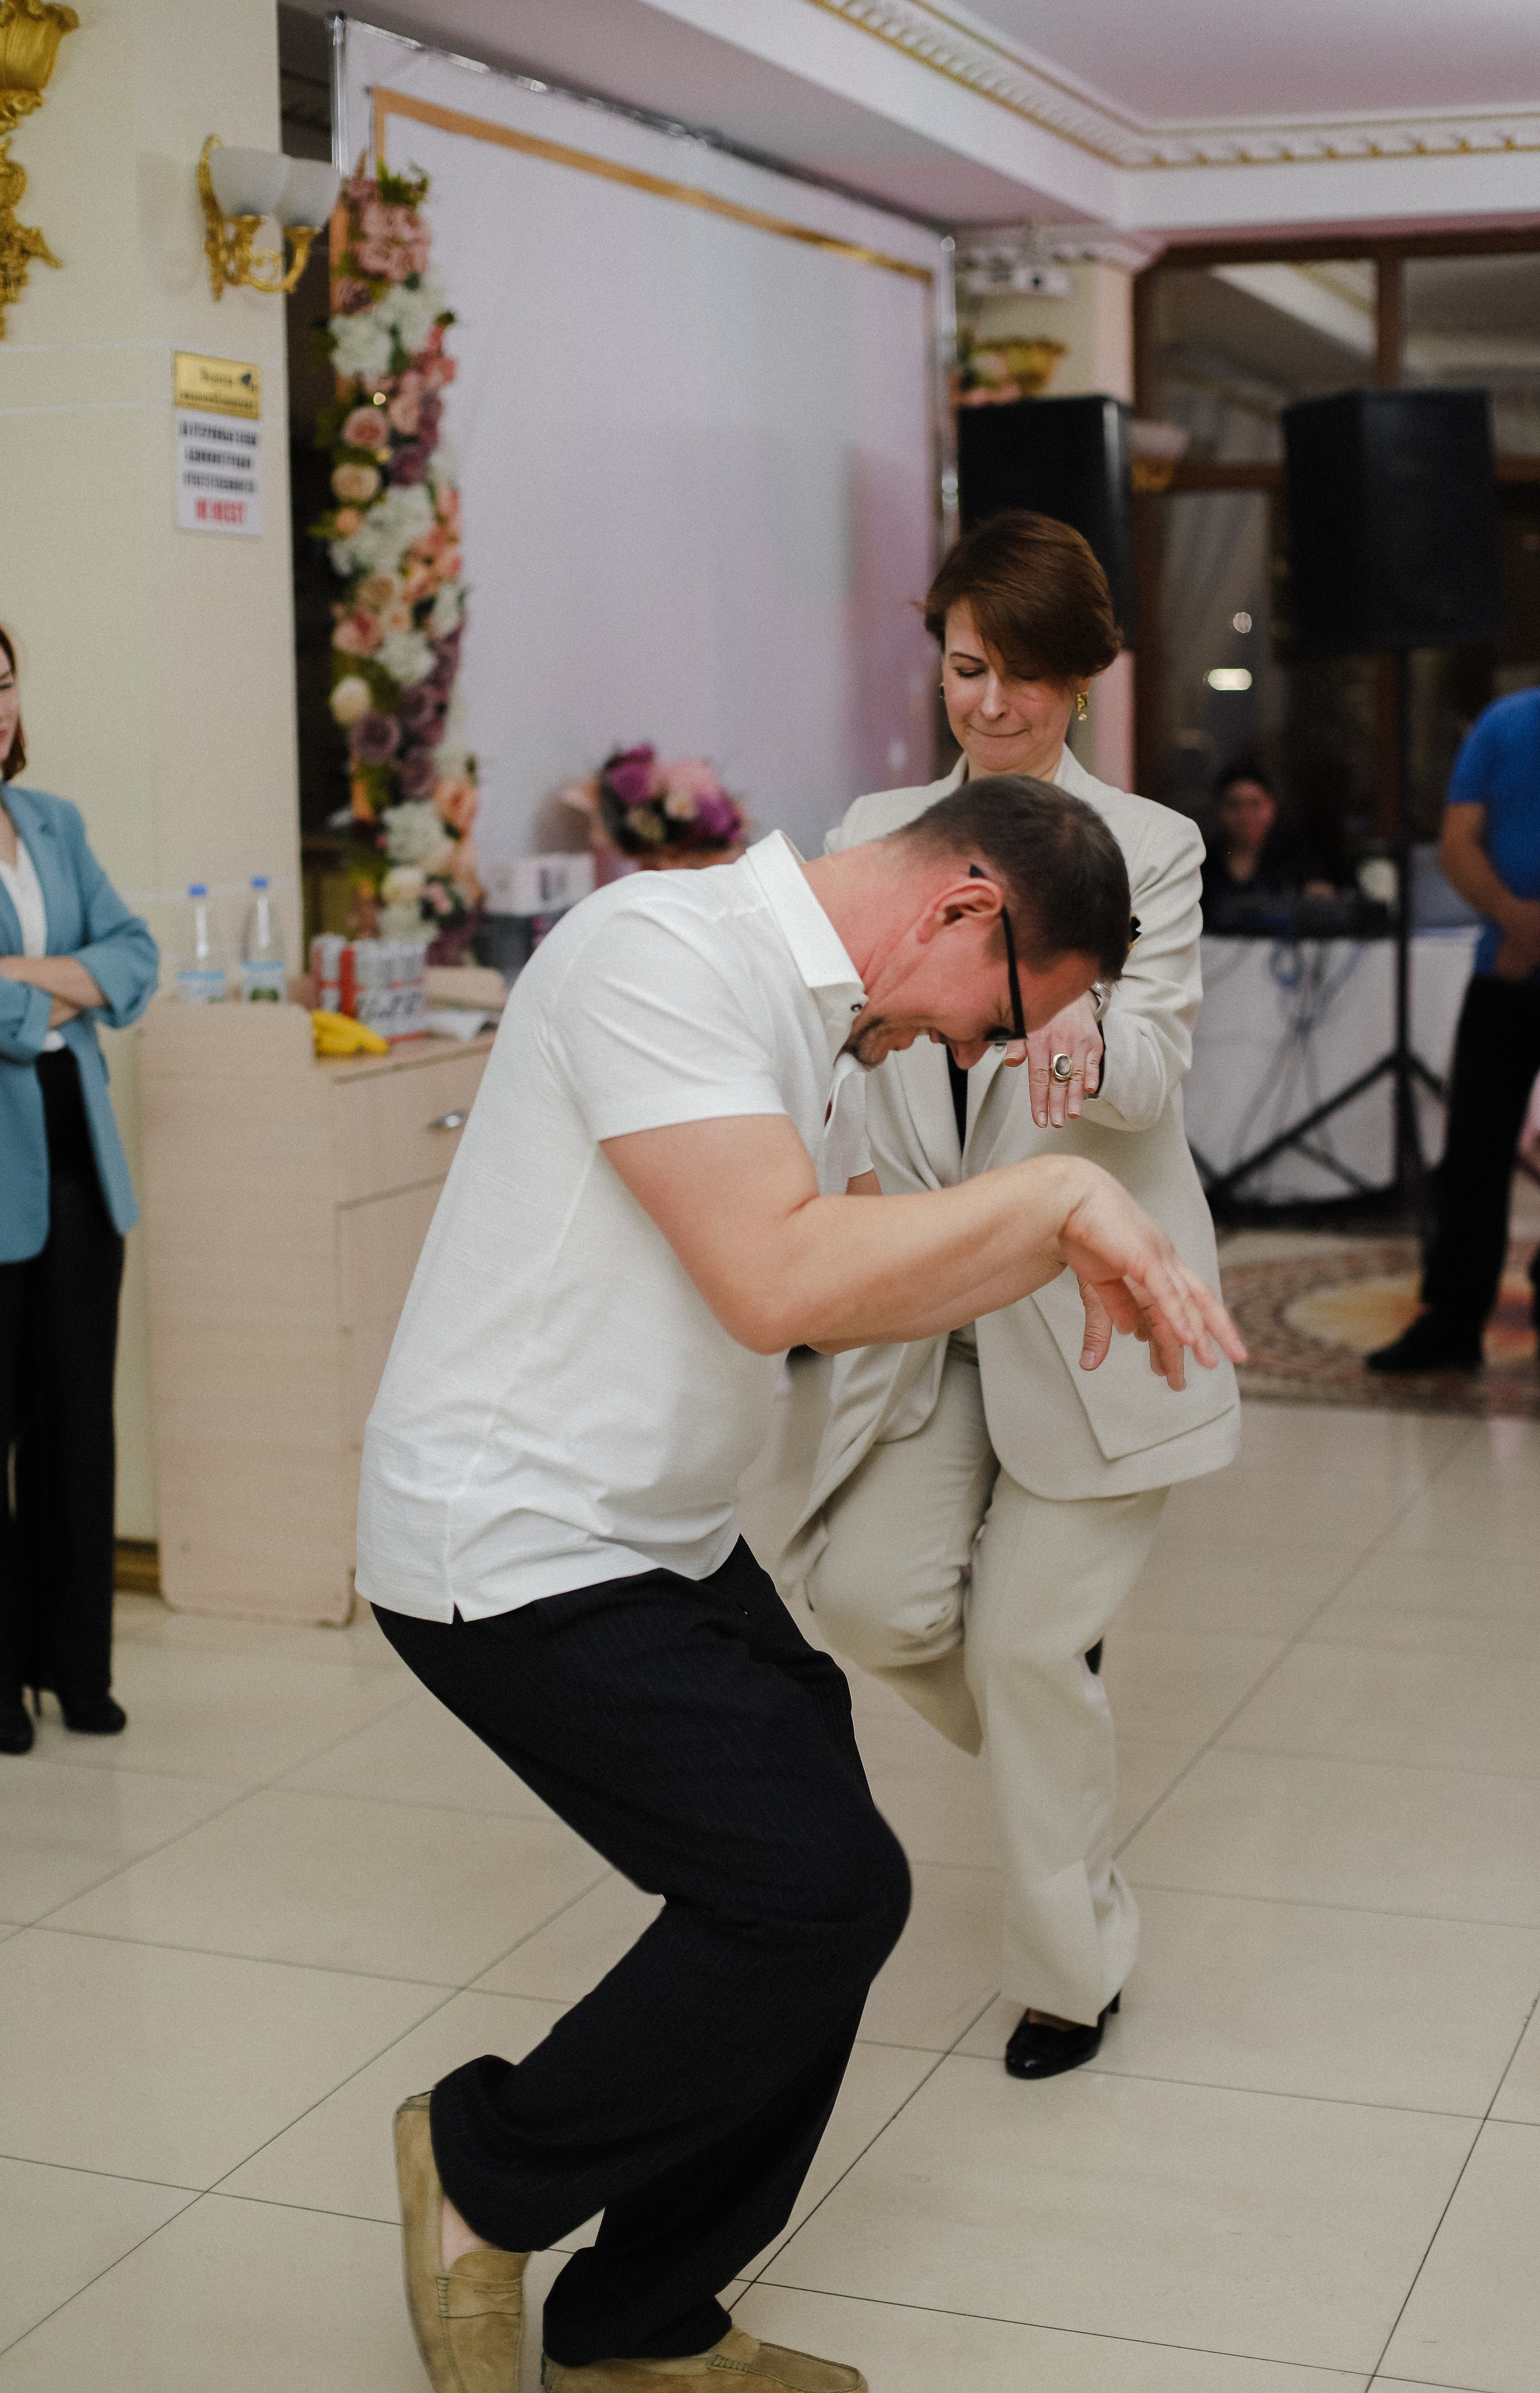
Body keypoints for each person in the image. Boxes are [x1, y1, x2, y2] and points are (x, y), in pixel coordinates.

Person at [355, 776, 1245, 2393]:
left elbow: (852, 1267)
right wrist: (1054, 1196)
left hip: (664, 1537)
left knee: (822, 1898)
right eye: (999, 1020)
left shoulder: (813, 1016)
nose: (978, 1053)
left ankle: (643, 2326)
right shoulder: (662, 955)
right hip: (509, 1541)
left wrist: (1059, 1248)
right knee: (814, 1891)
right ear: (965, 908)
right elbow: (774, 1280)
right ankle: (483, 2167)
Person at [786, 509, 1240, 2084]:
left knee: (1030, 1651)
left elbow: (1148, 1076)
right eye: (966, 666)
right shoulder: (877, 824)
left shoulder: (1150, 846)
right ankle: (1052, 1724)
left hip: (1087, 1310)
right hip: (931, 1297)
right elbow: (834, 1033)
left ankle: (1070, 1969)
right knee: (866, 1602)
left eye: (1024, 675)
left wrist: (1062, 1010)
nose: (989, 704)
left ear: (1083, 678)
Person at [0, 626, 159, 1756]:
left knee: (75, 1422)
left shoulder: (51, 820)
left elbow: (135, 956)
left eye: (3, 684)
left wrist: (17, 980)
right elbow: (95, 979)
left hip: (77, 1156)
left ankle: (75, 1665)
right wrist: (62, 994)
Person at [1369, 586, 1540, 1379]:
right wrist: (1515, 920)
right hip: (1501, 977)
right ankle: (1452, 1322)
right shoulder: (1504, 725)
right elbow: (1458, 841)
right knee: (1472, 1156)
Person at [1200, 759, 1334, 927]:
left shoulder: (1295, 859)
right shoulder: (1203, 860)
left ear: (1272, 807)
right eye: (1235, 805)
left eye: (1255, 804)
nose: (1245, 815)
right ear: (1220, 810)